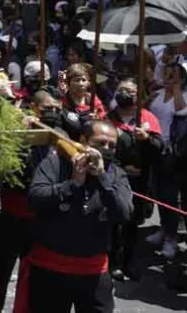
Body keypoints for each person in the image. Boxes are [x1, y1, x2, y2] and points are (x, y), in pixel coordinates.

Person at [17, 119, 132, 312]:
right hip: (50, 270)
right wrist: (73, 184)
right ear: (83, 141)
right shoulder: (55, 163)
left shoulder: (115, 174)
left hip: (94, 272)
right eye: (100, 143)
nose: (106, 149)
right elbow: (35, 199)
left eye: (112, 145)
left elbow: (124, 212)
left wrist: (103, 178)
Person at [0, 90, 68, 313]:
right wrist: (21, 132)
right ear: (34, 107)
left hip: (41, 217)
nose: (52, 112)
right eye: (47, 108)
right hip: (12, 215)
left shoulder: (60, 135)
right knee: (0, 271)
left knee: (33, 275)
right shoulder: (17, 132)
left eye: (56, 109)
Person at [106, 76, 163, 280]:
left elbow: (159, 150)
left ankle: (128, 262)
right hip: (115, 178)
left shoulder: (147, 118)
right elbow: (103, 149)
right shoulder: (109, 118)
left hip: (140, 180)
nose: (126, 95)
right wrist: (121, 168)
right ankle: (112, 262)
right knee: (114, 223)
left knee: (132, 224)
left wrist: (148, 139)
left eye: (131, 92)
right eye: (122, 90)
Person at [148, 60, 187, 260]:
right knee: (159, 194)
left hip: (174, 154)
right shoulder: (158, 95)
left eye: (172, 75)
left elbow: (181, 112)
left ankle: (172, 238)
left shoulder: (183, 97)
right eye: (165, 74)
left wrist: (177, 87)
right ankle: (164, 228)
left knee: (171, 196)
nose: (167, 79)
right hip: (156, 148)